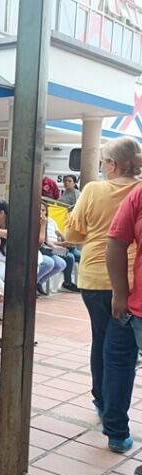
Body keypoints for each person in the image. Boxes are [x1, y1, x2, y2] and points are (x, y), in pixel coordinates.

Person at [64, 137, 142, 425]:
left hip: (95, 276)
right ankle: (113, 409)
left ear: (111, 165)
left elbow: (73, 235)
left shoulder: (94, 189)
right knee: (123, 348)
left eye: (102, 162)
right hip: (133, 280)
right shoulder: (139, 189)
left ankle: (102, 399)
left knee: (102, 339)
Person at [102, 140, 142, 454]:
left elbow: (114, 242)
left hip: (127, 299)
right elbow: (114, 241)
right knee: (115, 358)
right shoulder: (137, 194)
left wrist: (119, 292)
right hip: (132, 302)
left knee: (115, 360)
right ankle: (115, 431)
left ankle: (116, 432)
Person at [38, 203, 67, 296]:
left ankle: (39, 282)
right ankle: (32, 284)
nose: (42, 212)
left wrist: (56, 247)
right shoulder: (39, 222)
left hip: (47, 248)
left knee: (63, 260)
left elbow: (46, 240)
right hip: (38, 249)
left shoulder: (48, 221)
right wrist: (42, 225)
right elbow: (39, 241)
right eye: (40, 210)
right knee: (49, 263)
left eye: (44, 210)